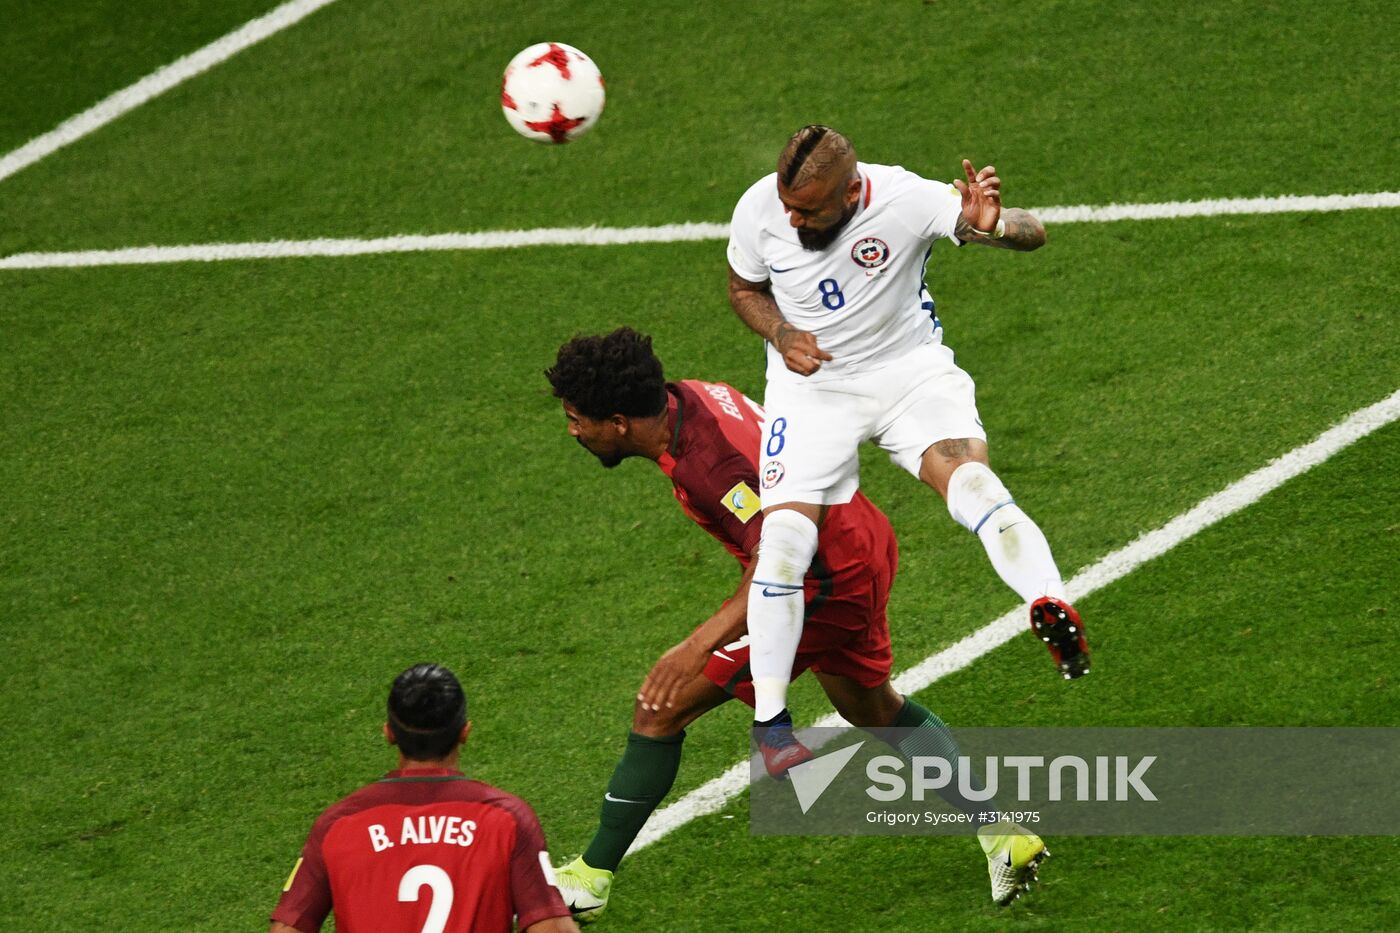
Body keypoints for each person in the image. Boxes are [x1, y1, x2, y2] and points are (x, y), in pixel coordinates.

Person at [543, 328, 1046, 917]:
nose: (574, 430)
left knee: (662, 704)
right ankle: (1002, 832)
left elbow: (777, 565)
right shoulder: (695, 398)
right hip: (861, 540)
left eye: (580, 418)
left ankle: (590, 879)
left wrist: (694, 645)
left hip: (821, 582)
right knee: (872, 709)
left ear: (621, 421)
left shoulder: (713, 466)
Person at [725, 125, 1090, 749]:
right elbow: (744, 288)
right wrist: (783, 336)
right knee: (783, 539)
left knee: (970, 480)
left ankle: (1050, 604)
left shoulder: (905, 197)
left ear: (849, 193)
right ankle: (773, 726)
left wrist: (992, 225)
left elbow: (1033, 233)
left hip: (908, 373)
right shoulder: (762, 207)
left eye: (808, 210)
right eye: (788, 204)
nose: (791, 217)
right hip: (812, 390)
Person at [269, 664, 578, 933]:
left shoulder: (338, 825)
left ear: (389, 733)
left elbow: (287, 928)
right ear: (465, 732)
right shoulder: (507, 819)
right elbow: (552, 928)